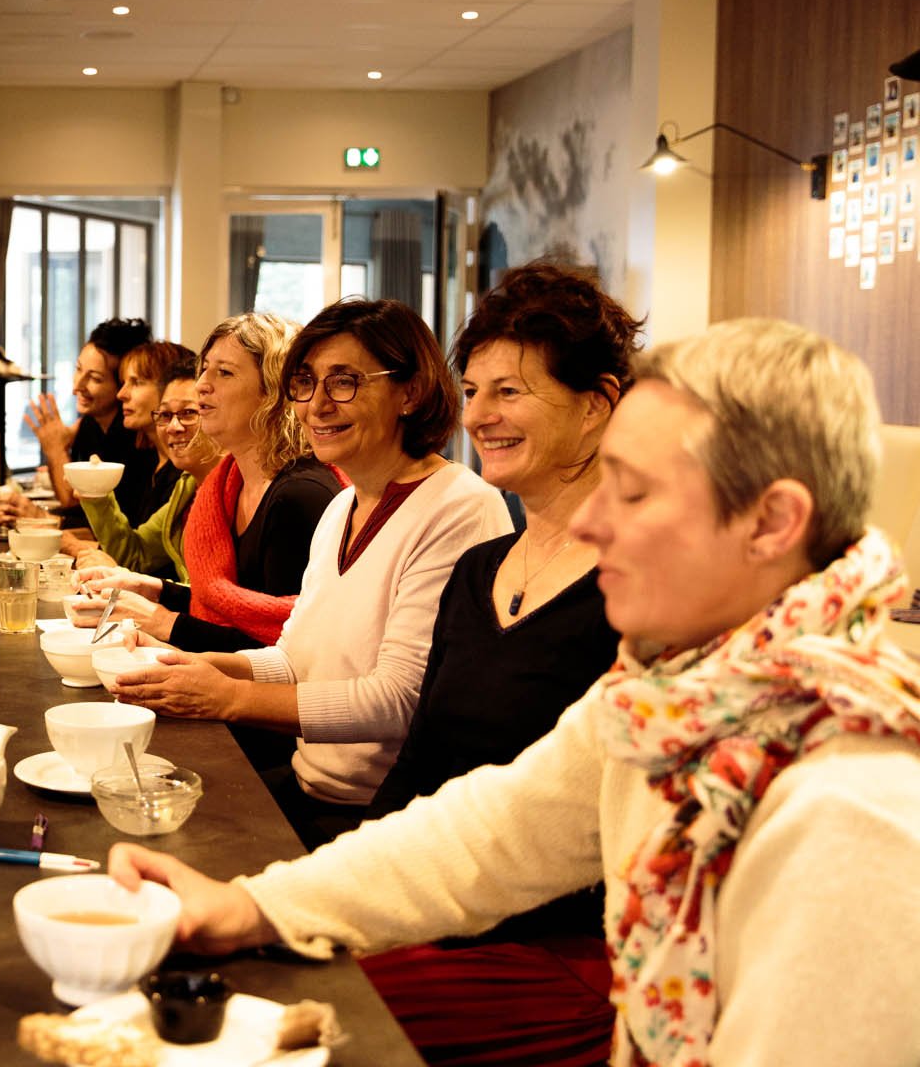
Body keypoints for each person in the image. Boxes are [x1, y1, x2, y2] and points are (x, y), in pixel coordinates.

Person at [110, 317, 920, 1067]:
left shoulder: (851, 813)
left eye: (635, 492)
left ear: (771, 523)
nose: (592, 525)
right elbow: (493, 831)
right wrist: (253, 908)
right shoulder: (676, 693)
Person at [356, 264, 641, 1065]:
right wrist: (344, 880)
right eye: (474, 391)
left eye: (509, 392)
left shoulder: (639, 590)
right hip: (443, 911)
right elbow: (419, 763)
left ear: (598, 404)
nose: (478, 415)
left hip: (561, 950)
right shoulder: (478, 570)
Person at [113, 300, 511, 845]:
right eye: (305, 383)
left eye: (344, 382)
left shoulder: (458, 506)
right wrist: (188, 665)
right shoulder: (341, 508)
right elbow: (293, 660)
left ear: (411, 392)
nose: (317, 405)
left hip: (386, 819)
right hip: (310, 787)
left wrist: (227, 696)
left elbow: (398, 700)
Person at [80, 313, 344, 654]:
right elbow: (234, 608)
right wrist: (153, 589)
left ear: (272, 390)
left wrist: (163, 621)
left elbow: (284, 648)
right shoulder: (229, 484)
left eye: (224, 372)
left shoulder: (300, 495)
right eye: (204, 369)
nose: (202, 384)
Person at [67, 359, 221, 581]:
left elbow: (209, 593)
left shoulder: (234, 488)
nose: (174, 427)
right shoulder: (188, 485)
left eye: (188, 413)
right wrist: (95, 493)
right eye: (165, 415)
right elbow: (136, 555)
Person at [26, 316, 158, 526]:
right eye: (78, 369)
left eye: (95, 378)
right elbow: (74, 501)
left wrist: (56, 449)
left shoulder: (137, 436)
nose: (77, 386)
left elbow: (104, 522)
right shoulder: (89, 424)